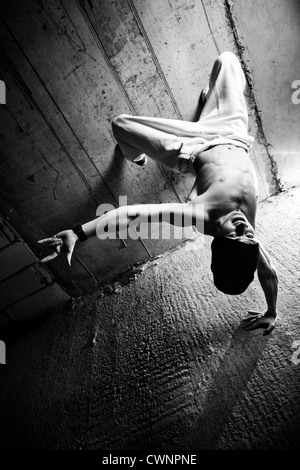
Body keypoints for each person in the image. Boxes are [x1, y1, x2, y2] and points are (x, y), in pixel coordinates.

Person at [38, 51, 278, 335]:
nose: (244, 228)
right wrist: (272, 312)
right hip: (234, 133)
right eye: (249, 235)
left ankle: (135, 155)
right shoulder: (247, 241)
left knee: (121, 125)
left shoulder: (199, 215)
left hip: (194, 147)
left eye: (236, 234)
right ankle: (211, 105)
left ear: (221, 240)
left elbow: (131, 214)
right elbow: (268, 272)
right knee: (226, 59)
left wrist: (78, 233)